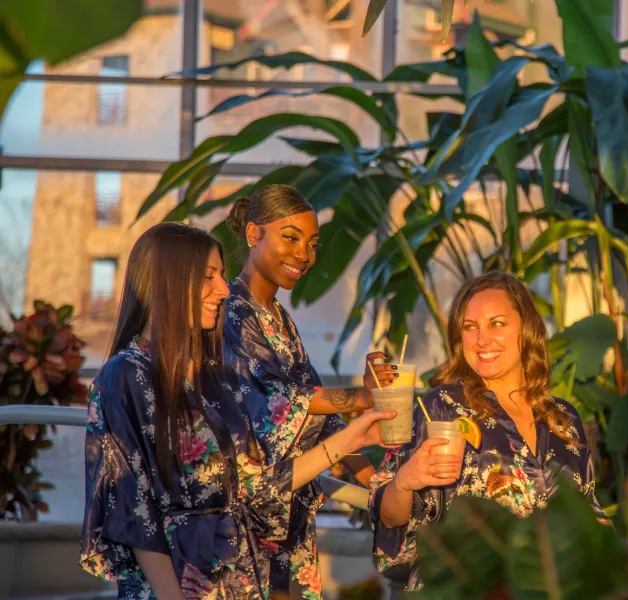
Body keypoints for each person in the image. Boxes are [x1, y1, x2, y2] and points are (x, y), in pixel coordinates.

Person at [80, 223, 396, 599]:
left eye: (223, 276)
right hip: (177, 585)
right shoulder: (126, 377)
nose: (224, 290)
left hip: (242, 581)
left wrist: (353, 437)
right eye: (208, 277)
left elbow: (256, 485)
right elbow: (134, 514)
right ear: (168, 282)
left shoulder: (214, 376)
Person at [369, 271, 607, 592]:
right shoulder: (443, 408)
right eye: (470, 328)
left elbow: (587, 511)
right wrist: (403, 483)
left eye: (497, 323)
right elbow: (392, 520)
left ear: (527, 328)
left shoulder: (563, 419)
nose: (482, 340)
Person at [222, 184, 397, 599]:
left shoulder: (280, 319)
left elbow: (323, 418)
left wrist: (377, 485)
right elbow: (280, 400)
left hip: (290, 519)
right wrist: (363, 396)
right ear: (252, 235)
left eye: (312, 243)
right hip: (244, 520)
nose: (304, 254)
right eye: (290, 237)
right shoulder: (230, 311)